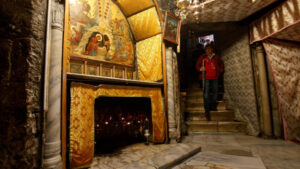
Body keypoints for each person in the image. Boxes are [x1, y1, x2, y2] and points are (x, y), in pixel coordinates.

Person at [197, 44, 224, 120]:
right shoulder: (203, 57)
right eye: (207, 49)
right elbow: (197, 65)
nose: (208, 50)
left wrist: (220, 70)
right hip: (206, 78)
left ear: (212, 49)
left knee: (215, 92)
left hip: (215, 77)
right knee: (206, 94)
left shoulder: (216, 57)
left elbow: (221, 64)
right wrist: (200, 69)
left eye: (210, 49)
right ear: (205, 50)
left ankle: (213, 106)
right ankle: (207, 110)